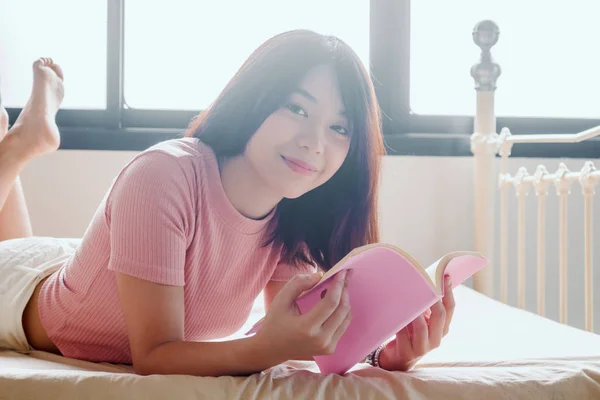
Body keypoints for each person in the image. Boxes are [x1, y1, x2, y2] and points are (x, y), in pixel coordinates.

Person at [0, 30, 455, 377]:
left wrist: (384, 354)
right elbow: (154, 358)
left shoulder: (292, 211)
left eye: (340, 128)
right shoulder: (163, 175)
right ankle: (14, 152)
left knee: (22, 245)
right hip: (17, 293)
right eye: (297, 109)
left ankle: (17, 149)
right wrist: (267, 348)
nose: (313, 143)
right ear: (254, 99)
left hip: (89, 267)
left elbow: (304, 337)